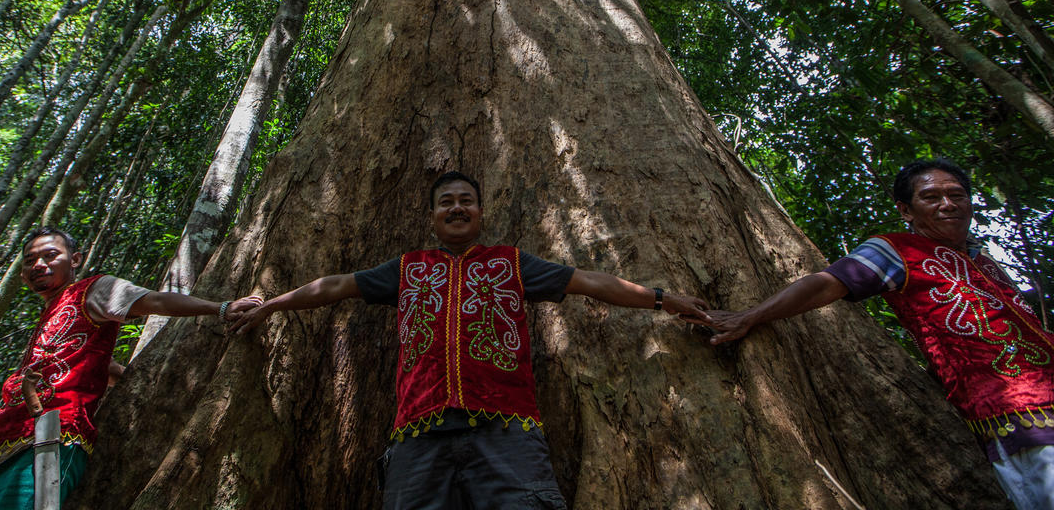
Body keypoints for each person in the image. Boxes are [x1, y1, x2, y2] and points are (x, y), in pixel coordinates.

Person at [229, 171, 710, 509]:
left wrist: (664, 300)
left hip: (507, 432)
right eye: (446, 202)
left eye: (466, 201)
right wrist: (272, 304)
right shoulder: (408, 268)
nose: (457, 207)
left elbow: (589, 282)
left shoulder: (511, 263)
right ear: (434, 216)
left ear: (479, 212)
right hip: (419, 437)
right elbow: (335, 286)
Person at [707, 158, 1054, 510]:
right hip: (1023, 417)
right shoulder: (896, 250)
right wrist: (751, 316)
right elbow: (828, 284)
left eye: (957, 195)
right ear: (906, 209)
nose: (948, 204)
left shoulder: (986, 261)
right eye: (931, 197)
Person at [0, 226, 263, 509]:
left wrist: (221, 308)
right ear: (23, 274)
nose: (39, 264)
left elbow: (155, 301)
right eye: (30, 261)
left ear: (75, 259)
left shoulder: (92, 290)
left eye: (51, 255)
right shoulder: (48, 315)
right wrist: (127, 381)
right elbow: (95, 363)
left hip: (50, 440)